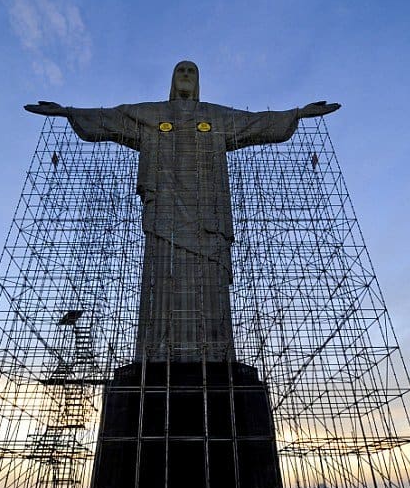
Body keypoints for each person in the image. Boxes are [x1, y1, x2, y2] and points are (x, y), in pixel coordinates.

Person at [25, 61, 339, 362]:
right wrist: (68, 112)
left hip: (207, 212)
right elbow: (110, 118)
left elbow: (255, 122)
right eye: (181, 70)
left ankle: (213, 354)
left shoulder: (215, 116)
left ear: (198, 80)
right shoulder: (150, 114)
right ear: (173, 79)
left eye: (191, 71)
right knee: (163, 274)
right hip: (164, 211)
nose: (186, 75)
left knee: (209, 281)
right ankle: (158, 353)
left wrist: (297, 114)